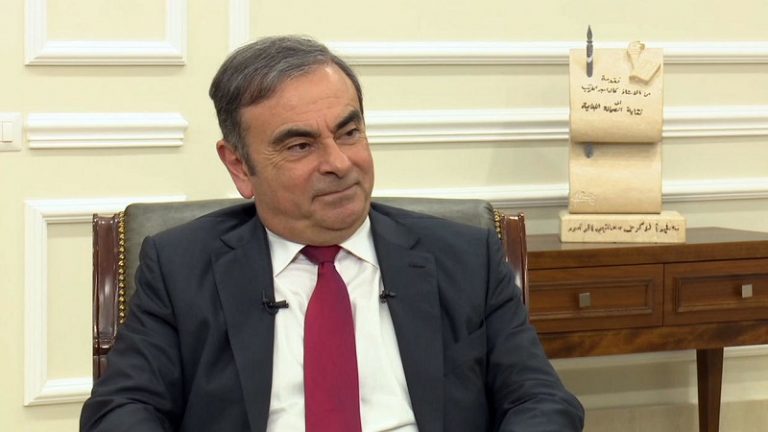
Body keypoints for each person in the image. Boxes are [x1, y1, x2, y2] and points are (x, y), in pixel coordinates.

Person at [81, 35, 584, 431]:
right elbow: (121, 410)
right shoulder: (180, 267)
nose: (340, 163)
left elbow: (540, 400)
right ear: (239, 165)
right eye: (300, 146)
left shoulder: (465, 256)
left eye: (349, 132)